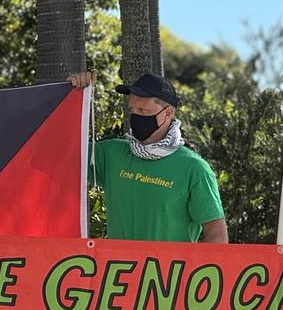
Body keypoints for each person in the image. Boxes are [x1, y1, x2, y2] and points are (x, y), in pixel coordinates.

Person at [67, 71, 228, 244]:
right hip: (119, 270)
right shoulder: (110, 153)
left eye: (143, 111)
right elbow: (59, 152)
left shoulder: (194, 168)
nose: (135, 117)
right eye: (132, 110)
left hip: (169, 271)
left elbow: (217, 234)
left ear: (168, 113)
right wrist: (72, 96)